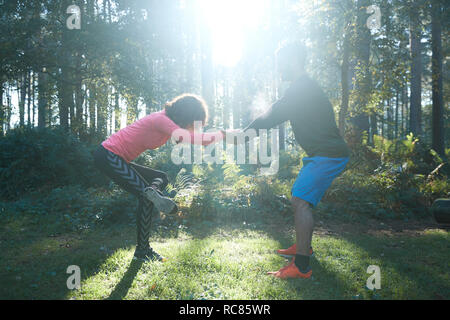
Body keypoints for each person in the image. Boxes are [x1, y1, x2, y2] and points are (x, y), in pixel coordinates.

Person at [241, 43, 350, 279]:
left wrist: (244, 135)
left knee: (300, 200)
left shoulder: (302, 89)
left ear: (292, 61)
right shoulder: (302, 88)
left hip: (329, 154)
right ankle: (303, 247)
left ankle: (301, 266)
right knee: (300, 199)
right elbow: (274, 112)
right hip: (321, 154)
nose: (278, 68)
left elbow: (273, 114)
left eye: (281, 62)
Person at [94, 94, 224, 262]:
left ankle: (152, 192)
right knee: (145, 196)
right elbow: (191, 138)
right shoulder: (160, 119)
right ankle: (143, 251)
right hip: (108, 155)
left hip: (116, 158)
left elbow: (187, 135)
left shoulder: (165, 121)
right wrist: (223, 135)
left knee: (160, 178)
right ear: (187, 115)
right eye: (193, 122)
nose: (193, 127)